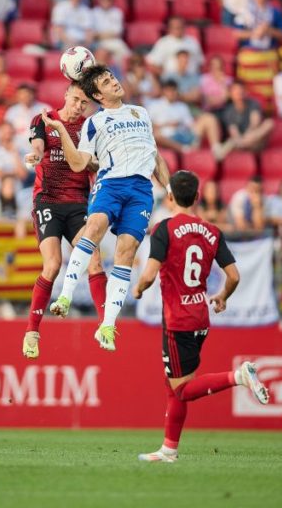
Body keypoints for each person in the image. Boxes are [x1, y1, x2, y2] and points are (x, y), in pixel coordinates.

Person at [132, 170, 268, 463]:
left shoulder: (163, 229)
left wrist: (138, 289)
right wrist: (222, 297)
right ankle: (169, 449)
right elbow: (233, 276)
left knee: (181, 389)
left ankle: (239, 376)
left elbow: (150, 273)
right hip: (201, 317)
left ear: (170, 198)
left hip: (177, 320)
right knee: (175, 386)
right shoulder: (212, 231)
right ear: (196, 197)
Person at [45, 64, 170, 351]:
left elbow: (155, 156)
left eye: (112, 76)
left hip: (141, 190)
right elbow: (78, 163)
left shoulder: (142, 113)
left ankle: (108, 326)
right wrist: (62, 130)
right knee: (96, 227)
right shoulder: (95, 123)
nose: (114, 82)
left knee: (126, 252)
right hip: (111, 184)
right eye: (106, 81)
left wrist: (170, 187)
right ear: (98, 95)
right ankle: (64, 295)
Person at [21, 83, 107, 360]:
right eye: (76, 100)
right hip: (47, 200)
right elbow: (37, 144)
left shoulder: (89, 127)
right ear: (66, 95)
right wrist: (35, 154)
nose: (79, 106)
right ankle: (32, 331)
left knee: (94, 259)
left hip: (78, 203)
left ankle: (106, 323)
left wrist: (90, 163)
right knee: (53, 264)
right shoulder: (44, 119)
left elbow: (95, 164)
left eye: (84, 103)